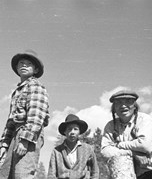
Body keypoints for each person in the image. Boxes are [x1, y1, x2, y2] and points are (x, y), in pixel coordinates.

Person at [0, 50, 49, 179]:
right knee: (5, 174)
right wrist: (4, 144)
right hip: (14, 136)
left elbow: (36, 116)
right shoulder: (17, 91)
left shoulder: (36, 86)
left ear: (36, 69)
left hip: (29, 135)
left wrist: (25, 140)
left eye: (29, 64)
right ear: (17, 68)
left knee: (22, 174)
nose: (24, 65)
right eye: (21, 63)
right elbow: (11, 121)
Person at [101, 89, 152, 179]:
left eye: (128, 101)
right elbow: (105, 151)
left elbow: (145, 145)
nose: (123, 106)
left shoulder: (144, 120)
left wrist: (119, 145)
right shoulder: (110, 126)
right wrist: (133, 153)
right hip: (128, 175)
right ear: (114, 108)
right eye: (118, 102)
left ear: (134, 106)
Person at [47, 114, 99, 179]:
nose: (72, 132)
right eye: (69, 129)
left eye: (75, 129)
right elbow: (51, 175)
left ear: (79, 132)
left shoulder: (88, 149)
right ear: (65, 132)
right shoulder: (57, 151)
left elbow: (95, 171)